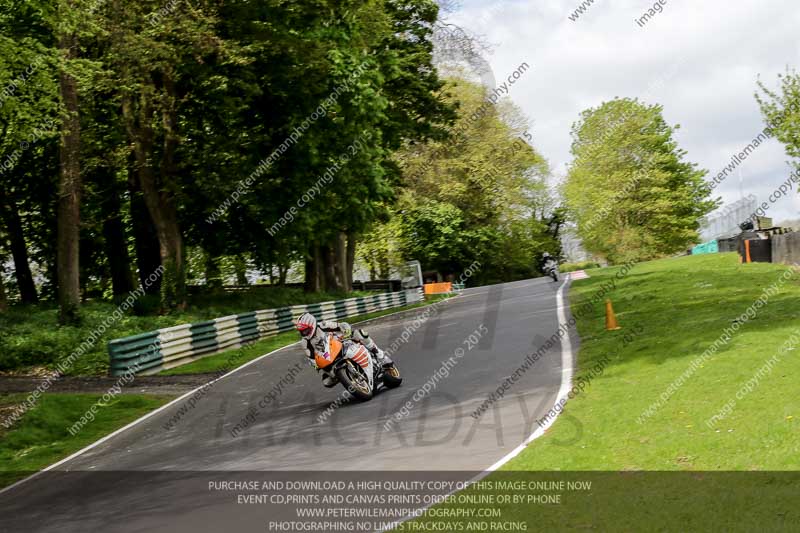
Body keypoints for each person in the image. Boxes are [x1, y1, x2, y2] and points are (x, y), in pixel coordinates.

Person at [295, 312, 392, 387]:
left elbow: (341, 325)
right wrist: (316, 365)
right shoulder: (304, 343)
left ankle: (380, 355)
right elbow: (311, 358)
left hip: (340, 343)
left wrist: (346, 331)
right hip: (327, 357)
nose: (304, 333)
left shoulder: (323, 325)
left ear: (312, 325)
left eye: (306, 330)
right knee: (327, 382)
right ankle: (351, 379)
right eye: (302, 331)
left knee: (360, 333)